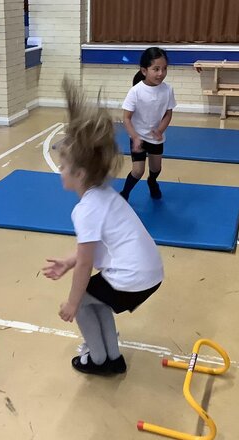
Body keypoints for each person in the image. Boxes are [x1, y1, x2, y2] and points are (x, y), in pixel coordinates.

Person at [42, 77, 163, 375]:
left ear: (80, 173)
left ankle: (97, 359)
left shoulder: (85, 210)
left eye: (64, 167)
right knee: (98, 299)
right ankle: (112, 357)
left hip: (133, 278)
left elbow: (86, 263)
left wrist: (71, 303)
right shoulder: (105, 196)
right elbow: (91, 251)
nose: (60, 171)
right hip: (150, 273)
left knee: (84, 301)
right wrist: (68, 263)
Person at [120, 47, 177, 201]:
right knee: (138, 171)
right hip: (138, 136)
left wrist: (160, 129)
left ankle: (152, 181)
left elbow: (168, 113)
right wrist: (135, 137)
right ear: (144, 71)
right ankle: (124, 193)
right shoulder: (136, 91)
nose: (161, 73)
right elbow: (126, 118)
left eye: (164, 69)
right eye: (156, 69)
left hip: (156, 138)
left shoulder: (168, 90)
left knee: (156, 168)